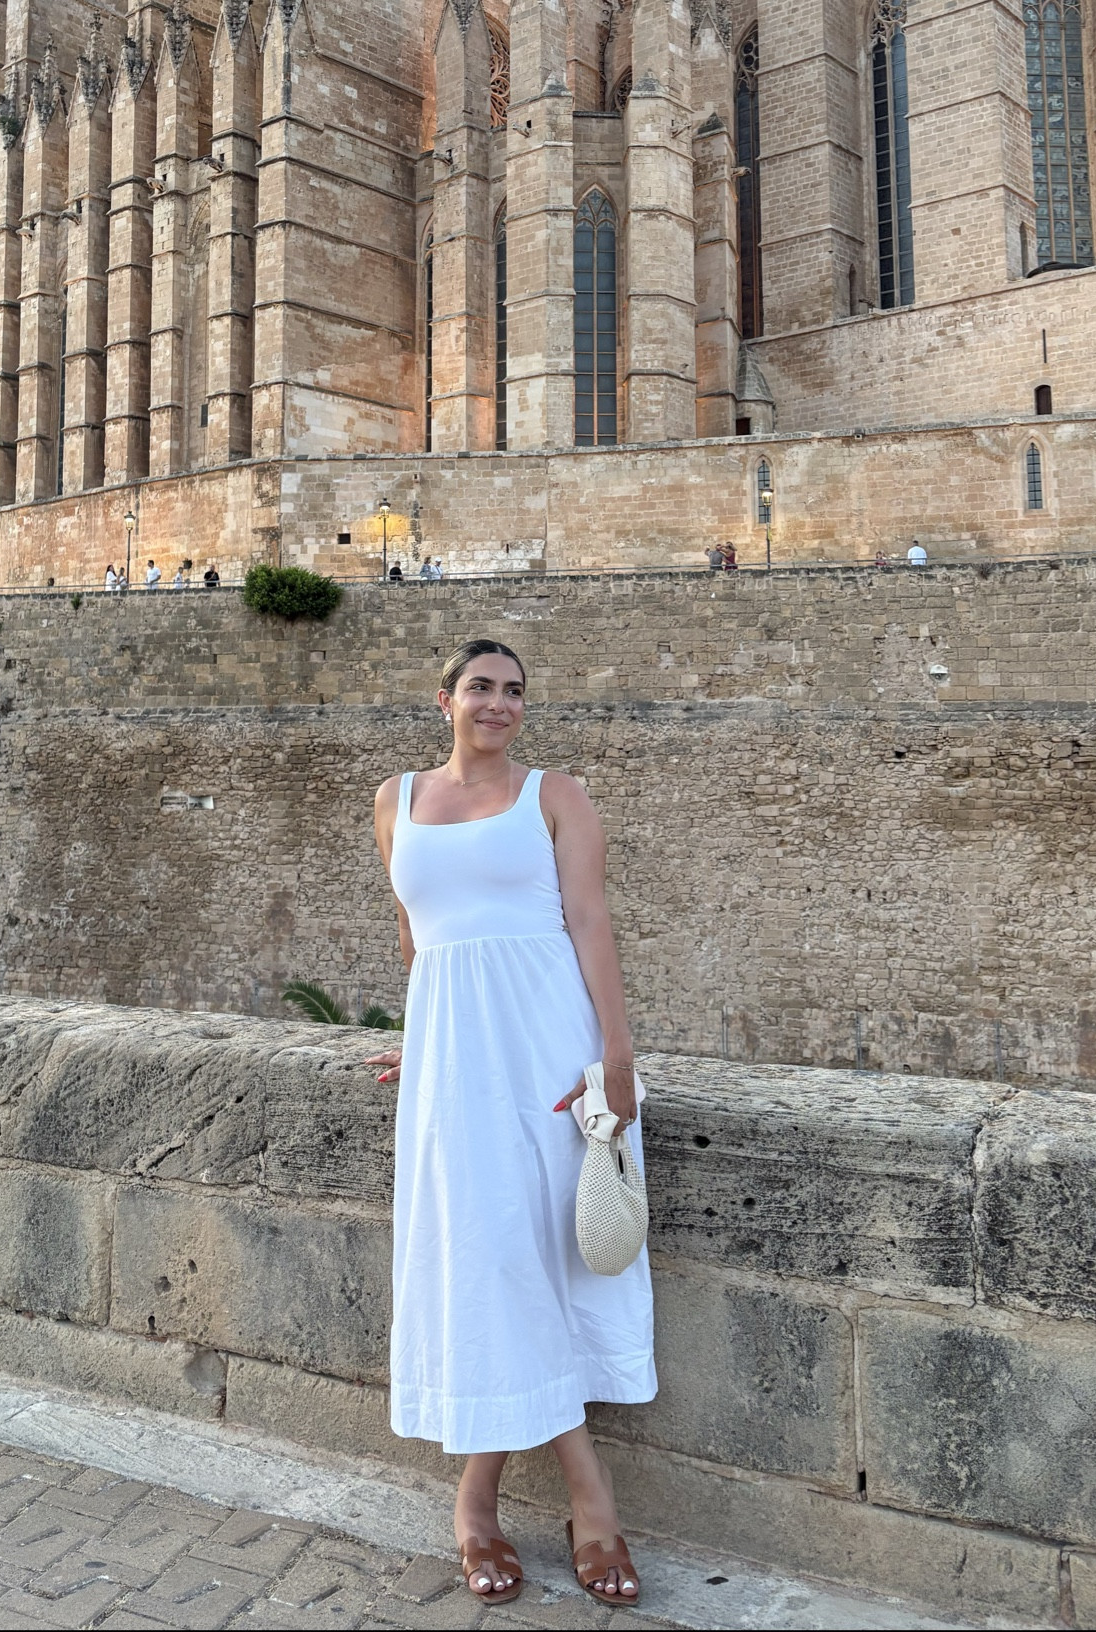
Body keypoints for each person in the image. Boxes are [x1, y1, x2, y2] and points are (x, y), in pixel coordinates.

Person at [366, 639, 653, 1610]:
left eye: (515, 690)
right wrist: (427, 1041)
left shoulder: (557, 794)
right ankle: (569, 1501)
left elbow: (589, 920)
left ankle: (491, 1504)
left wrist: (615, 1055)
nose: (499, 703)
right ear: (443, 697)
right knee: (487, 1259)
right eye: (481, 687)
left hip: (550, 1058)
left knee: (536, 1260)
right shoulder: (394, 800)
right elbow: (420, 939)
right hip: (455, 1064)